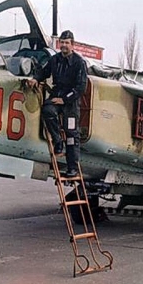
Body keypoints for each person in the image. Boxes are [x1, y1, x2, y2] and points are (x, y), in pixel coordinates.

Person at [27, 30, 87, 177]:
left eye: (67, 43)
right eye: (62, 42)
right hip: (56, 95)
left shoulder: (79, 63)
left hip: (71, 102)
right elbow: (43, 72)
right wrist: (35, 78)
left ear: (72, 45)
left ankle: (72, 168)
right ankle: (58, 141)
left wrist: (65, 99)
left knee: (72, 135)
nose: (64, 45)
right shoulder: (55, 60)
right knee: (47, 111)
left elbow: (81, 87)